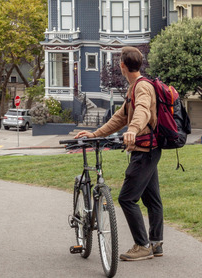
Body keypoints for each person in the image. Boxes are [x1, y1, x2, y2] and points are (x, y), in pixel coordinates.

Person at [74, 46, 163, 262]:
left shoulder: (141, 88)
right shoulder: (135, 87)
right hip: (149, 150)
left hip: (144, 151)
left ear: (122, 66)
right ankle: (156, 244)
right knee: (152, 199)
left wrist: (132, 130)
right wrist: (95, 133)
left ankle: (142, 245)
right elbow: (119, 118)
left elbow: (142, 110)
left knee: (126, 198)